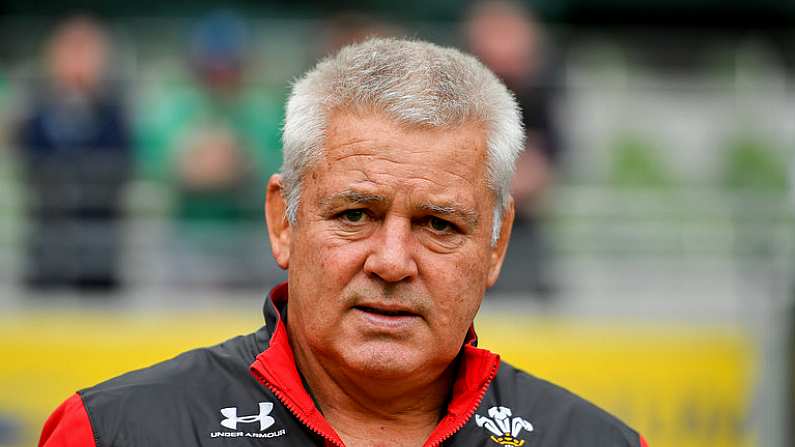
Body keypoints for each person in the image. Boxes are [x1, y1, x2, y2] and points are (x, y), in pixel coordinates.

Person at [39, 38, 647, 447]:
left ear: (496, 244)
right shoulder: (113, 432)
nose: (390, 262)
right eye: (356, 214)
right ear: (283, 221)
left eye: (439, 225)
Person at [15, 16, 131, 292]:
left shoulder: (113, 114)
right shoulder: (36, 112)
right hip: (46, 243)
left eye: (86, 52)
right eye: (70, 51)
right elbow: (30, 160)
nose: (78, 62)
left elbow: (118, 163)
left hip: (100, 249)